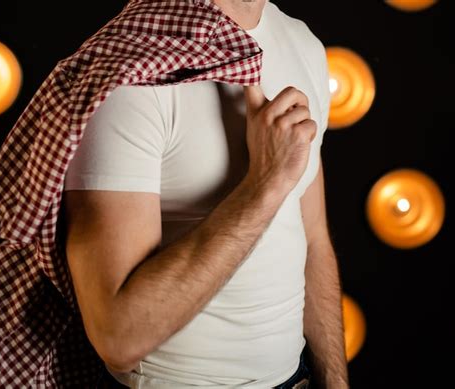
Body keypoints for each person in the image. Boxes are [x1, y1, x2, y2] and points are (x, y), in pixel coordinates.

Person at [61, 0, 349, 388]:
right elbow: (118, 336)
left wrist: (335, 380)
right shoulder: (130, 77)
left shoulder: (302, 44)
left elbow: (313, 237)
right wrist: (263, 186)